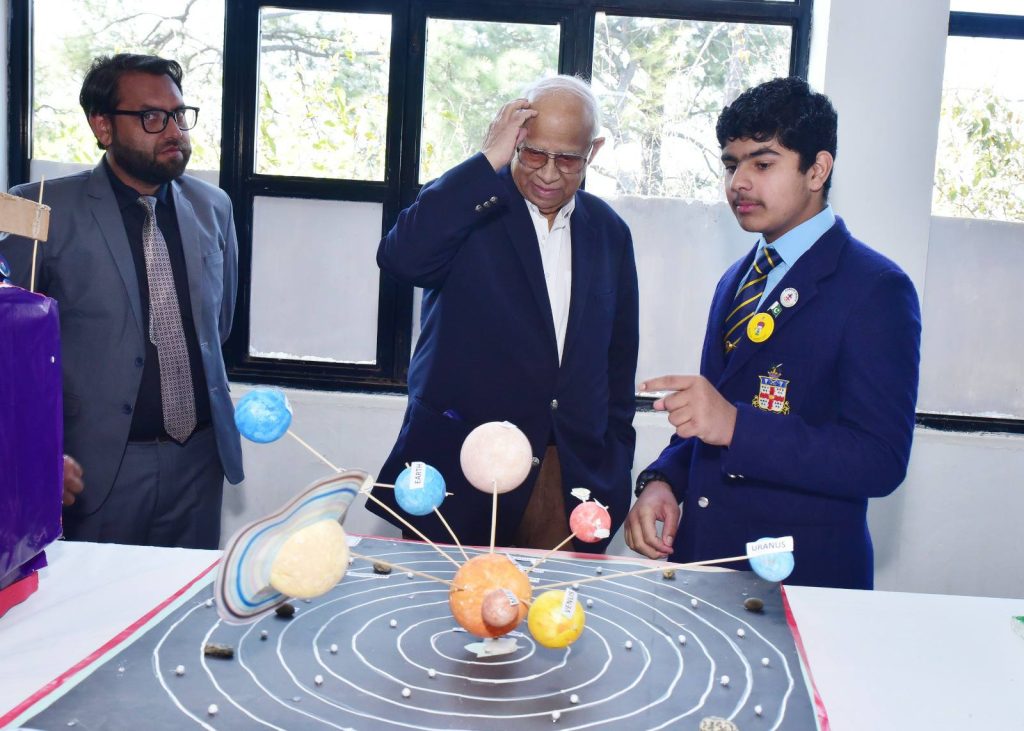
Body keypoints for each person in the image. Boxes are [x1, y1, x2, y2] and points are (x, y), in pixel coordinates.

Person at [624, 77, 921, 589]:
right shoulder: (737, 278)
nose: (738, 182)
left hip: (804, 580)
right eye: (730, 164)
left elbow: (879, 460)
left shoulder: (876, 288)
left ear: (817, 170)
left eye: (762, 164)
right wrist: (662, 480)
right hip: (706, 565)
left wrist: (737, 427)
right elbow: (711, 417)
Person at [374, 75, 639, 552]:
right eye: (534, 153)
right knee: (441, 598)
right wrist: (485, 161)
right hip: (458, 471)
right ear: (513, 140)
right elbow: (401, 259)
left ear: (593, 152)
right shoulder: (471, 205)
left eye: (568, 159)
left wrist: (615, 469)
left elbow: (618, 365)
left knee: (555, 601)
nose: (549, 174)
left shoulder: (609, 232)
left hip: (564, 475)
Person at [0, 54, 243, 549]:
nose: (173, 131)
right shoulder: (37, 207)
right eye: (152, 117)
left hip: (198, 461)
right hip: (91, 466)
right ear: (103, 126)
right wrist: (31, 452)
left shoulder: (213, 207)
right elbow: (10, 351)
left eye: (178, 115)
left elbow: (217, 327)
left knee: (188, 596)